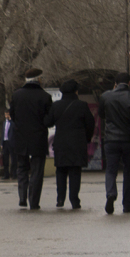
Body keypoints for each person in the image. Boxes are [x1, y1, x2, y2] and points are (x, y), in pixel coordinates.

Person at [98, 72, 130, 214]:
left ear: (115, 84)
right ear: (129, 84)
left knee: (111, 169)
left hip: (111, 140)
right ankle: (127, 205)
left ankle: (111, 194)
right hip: (129, 140)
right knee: (128, 172)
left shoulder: (105, 96)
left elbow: (101, 114)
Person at [44, 79, 95, 209]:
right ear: (76, 91)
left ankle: (60, 199)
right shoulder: (82, 105)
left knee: (60, 171)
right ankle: (74, 200)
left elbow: (48, 122)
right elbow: (90, 124)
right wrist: (86, 138)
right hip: (77, 143)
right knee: (75, 172)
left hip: (61, 143)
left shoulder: (56, 106)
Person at [9, 68, 52, 210]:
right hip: (38, 139)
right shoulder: (45, 96)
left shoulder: (16, 96)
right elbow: (49, 120)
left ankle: (22, 197)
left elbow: (12, 116)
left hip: (20, 138)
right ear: (38, 79)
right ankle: (34, 201)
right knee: (37, 171)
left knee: (22, 168)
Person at [1, 111, 17, 179]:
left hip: (11, 142)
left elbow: (15, 130)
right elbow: (2, 133)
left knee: (13, 159)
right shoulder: (4, 123)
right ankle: (6, 174)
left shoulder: (12, 123)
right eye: (5, 114)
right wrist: (2, 143)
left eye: (7, 114)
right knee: (5, 159)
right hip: (5, 142)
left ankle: (14, 174)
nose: (6, 116)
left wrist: (11, 119)